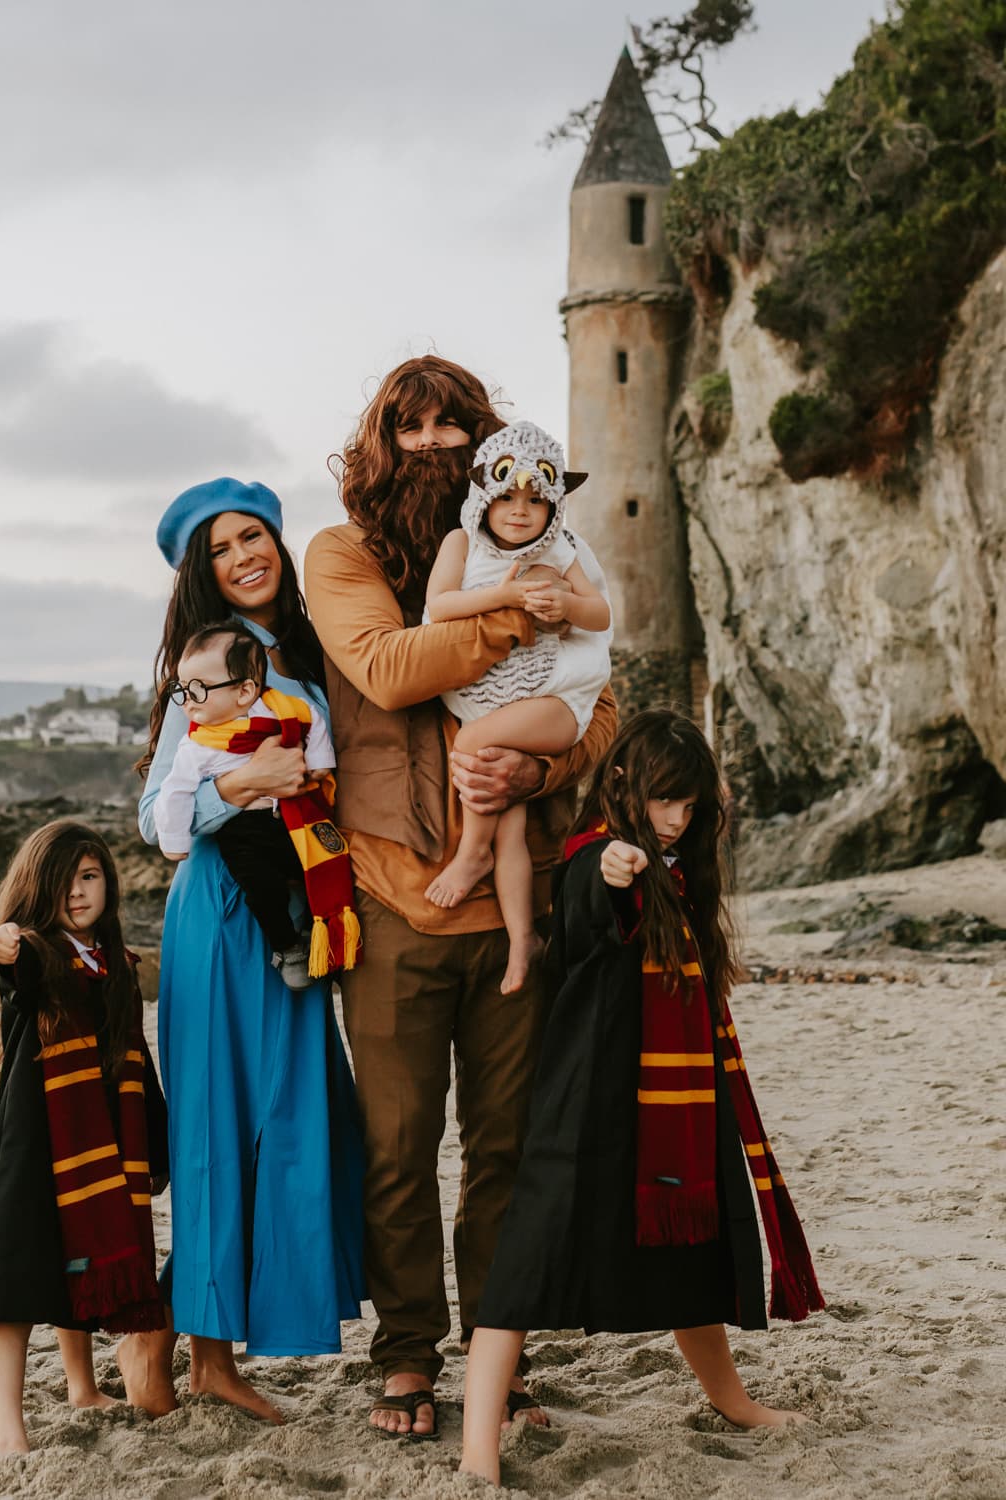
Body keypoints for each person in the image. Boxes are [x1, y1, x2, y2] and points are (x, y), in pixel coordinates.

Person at [304, 356, 619, 1439]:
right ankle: (404, 1355)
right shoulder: (341, 554)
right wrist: (528, 613)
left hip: (514, 911)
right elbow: (391, 669)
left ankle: (497, 1350)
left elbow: (605, 704)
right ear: (379, 446)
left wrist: (542, 770)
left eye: (457, 426)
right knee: (395, 1151)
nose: (436, 443)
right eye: (414, 427)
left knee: (505, 1150)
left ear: (493, 454)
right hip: (393, 900)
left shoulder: (549, 546)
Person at [459, 709, 825, 1485]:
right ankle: (475, 1450)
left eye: (691, 806)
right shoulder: (601, 856)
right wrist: (616, 868)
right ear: (623, 782)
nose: (676, 819)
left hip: (674, 1096)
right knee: (526, 1261)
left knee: (692, 1253)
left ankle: (732, 1401)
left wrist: (660, 848)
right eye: (666, 800)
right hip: (590, 1098)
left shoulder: (678, 865)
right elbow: (594, 897)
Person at [118, 478, 364, 1426]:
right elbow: (159, 819)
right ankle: (186, 1349)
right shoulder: (202, 674)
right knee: (214, 1128)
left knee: (297, 1117)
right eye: (222, 549)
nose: (244, 557)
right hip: (215, 916)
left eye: (254, 536)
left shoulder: (307, 654)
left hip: (299, 911)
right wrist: (245, 782)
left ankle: (234, 1341)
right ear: (202, 569)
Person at [0, 819, 168, 1457]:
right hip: (37, 1147)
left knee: (76, 1264)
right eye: (63, 880)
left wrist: (154, 1137)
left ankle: (81, 1386)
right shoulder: (36, 955)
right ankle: (8, 1433)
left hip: (100, 1145)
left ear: (108, 884)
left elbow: (137, 1057)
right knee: (17, 1289)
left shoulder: (119, 965)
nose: (77, 892)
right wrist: (5, 947)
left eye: (89, 876)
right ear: (37, 888)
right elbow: (14, 982)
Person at [423, 419, 613, 993]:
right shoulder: (462, 543)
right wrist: (505, 595)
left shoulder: (562, 548)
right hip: (493, 702)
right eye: (505, 496)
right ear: (482, 494)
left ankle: (469, 854)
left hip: (555, 698)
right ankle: (522, 939)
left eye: (535, 500)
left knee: (474, 747)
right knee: (510, 822)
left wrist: (565, 603)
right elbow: (439, 606)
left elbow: (601, 615)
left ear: (554, 505)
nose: (519, 510)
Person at [152, 620, 351, 991]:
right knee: (262, 887)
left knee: (319, 868)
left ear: (245, 690)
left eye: (199, 690)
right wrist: (175, 840)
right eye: (182, 690)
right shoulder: (198, 744)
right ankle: (288, 946)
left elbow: (315, 723)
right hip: (243, 831)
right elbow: (172, 794)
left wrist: (322, 764)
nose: (187, 702)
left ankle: (322, 932)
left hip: (294, 819)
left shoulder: (284, 710)